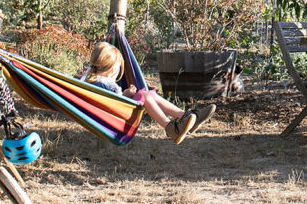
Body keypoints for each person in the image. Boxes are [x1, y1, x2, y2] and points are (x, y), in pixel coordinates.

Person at [84, 42, 217, 144]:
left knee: (149, 94)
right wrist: (127, 94)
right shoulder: (106, 84)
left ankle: (186, 117)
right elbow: (114, 104)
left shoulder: (90, 82)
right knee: (145, 95)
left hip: (112, 114)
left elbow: (109, 102)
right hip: (116, 117)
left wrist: (126, 94)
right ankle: (171, 128)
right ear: (113, 69)